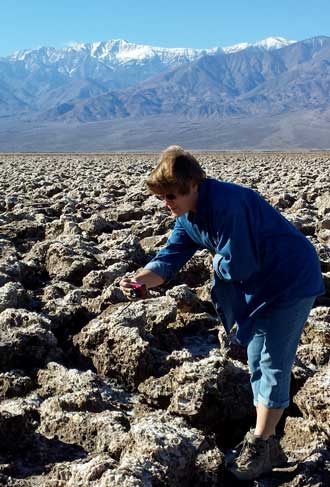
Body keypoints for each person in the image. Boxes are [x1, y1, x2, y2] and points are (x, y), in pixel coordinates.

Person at [120, 146, 324, 480]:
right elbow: (171, 256)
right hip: (261, 285)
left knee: (271, 356)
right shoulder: (187, 217)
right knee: (258, 356)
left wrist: (215, 262)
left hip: (289, 279)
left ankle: (261, 443)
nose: (166, 203)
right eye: (161, 197)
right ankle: (267, 442)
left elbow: (239, 263)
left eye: (170, 195)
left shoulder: (228, 205)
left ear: (193, 186)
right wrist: (141, 279)